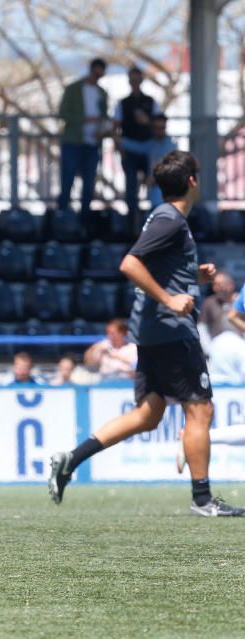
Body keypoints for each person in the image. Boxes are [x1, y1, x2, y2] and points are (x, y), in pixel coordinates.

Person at [48, 150, 244, 517]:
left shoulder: (164, 217)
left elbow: (155, 265)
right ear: (192, 182)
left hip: (153, 331)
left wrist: (191, 276)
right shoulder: (170, 220)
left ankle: (70, 460)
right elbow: (131, 263)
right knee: (200, 409)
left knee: (148, 414)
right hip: (170, 330)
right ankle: (203, 499)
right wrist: (170, 298)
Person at [56, 58, 109, 233]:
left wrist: (102, 130)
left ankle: (84, 223)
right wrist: (83, 120)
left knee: (88, 186)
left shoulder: (102, 92)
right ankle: (62, 221)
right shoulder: (73, 89)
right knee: (67, 183)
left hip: (93, 144)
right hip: (73, 142)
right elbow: (63, 113)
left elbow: (104, 117)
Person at [113, 66, 160, 225]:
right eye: (132, 80)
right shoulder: (123, 103)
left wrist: (147, 122)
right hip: (129, 146)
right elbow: (116, 126)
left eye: (137, 80)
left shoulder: (150, 101)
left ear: (141, 81)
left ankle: (154, 217)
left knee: (153, 182)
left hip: (147, 146)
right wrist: (119, 146)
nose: (135, 83)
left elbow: (158, 124)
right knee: (131, 185)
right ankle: (131, 222)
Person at [199, 271, 237, 342]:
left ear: (230, 285)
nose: (215, 288)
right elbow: (202, 328)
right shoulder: (209, 302)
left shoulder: (240, 302)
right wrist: (208, 349)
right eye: (214, 285)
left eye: (219, 285)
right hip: (217, 346)